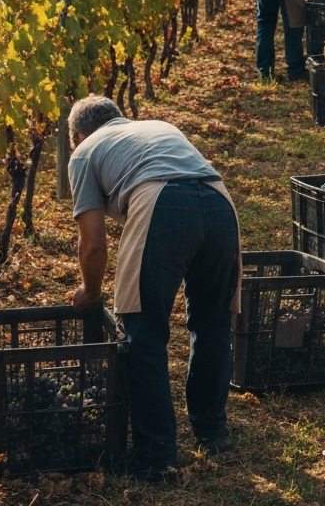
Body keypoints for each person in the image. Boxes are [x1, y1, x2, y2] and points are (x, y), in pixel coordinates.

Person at [67, 95, 241, 481]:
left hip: (162, 204)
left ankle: (157, 456)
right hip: (220, 204)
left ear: (78, 135)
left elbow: (93, 243)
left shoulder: (82, 153)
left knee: (143, 336)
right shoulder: (160, 127)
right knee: (213, 326)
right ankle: (212, 434)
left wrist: (91, 293)